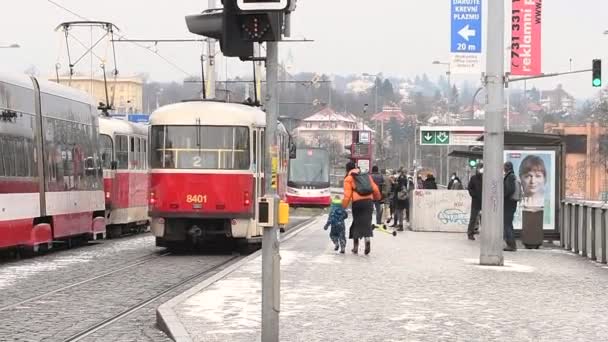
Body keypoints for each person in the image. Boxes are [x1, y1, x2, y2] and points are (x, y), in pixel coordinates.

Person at [343, 161, 381, 255]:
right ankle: (367, 240)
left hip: (357, 203)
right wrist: (377, 198)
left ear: (347, 169)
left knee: (357, 223)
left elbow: (347, 196)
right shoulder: (366, 176)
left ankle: (355, 247)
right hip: (369, 202)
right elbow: (375, 189)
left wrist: (343, 206)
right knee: (367, 223)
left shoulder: (348, 178)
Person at [503, 161, 518, 252]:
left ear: (507, 167)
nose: (503, 168)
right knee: (508, 224)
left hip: (509, 204)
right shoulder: (511, 176)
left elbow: (509, 190)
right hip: (511, 203)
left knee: (507, 224)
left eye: (504, 167)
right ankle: (511, 244)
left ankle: (511, 245)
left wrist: (503, 196)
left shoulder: (510, 176)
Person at [467, 165, 483, 240]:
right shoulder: (473, 178)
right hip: (476, 201)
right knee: (473, 218)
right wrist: (474, 195)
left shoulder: (486, 177)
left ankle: (486, 233)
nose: (480, 170)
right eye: (479, 168)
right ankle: (470, 233)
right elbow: (470, 188)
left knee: (484, 218)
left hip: (485, 201)